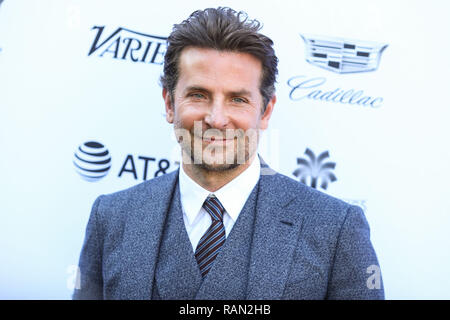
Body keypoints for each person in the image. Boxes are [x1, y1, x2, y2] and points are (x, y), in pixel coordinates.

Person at [73, 7, 384, 300]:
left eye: (237, 99)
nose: (217, 118)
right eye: (198, 95)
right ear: (169, 103)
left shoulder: (336, 228)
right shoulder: (112, 217)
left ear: (266, 111)